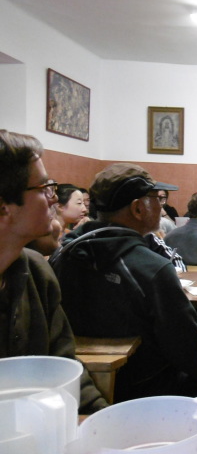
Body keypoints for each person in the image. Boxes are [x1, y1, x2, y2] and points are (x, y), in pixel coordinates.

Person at [49, 162, 197, 402]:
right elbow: (188, 349)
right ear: (138, 208)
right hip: (149, 392)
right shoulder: (151, 268)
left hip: (74, 388)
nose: (161, 206)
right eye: (156, 199)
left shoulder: (63, 254)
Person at [0, 129, 107, 413]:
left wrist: (102, 418)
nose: (53, 199)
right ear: (3, 206)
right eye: (44, 188)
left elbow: (65, 367)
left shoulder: (37, 272)